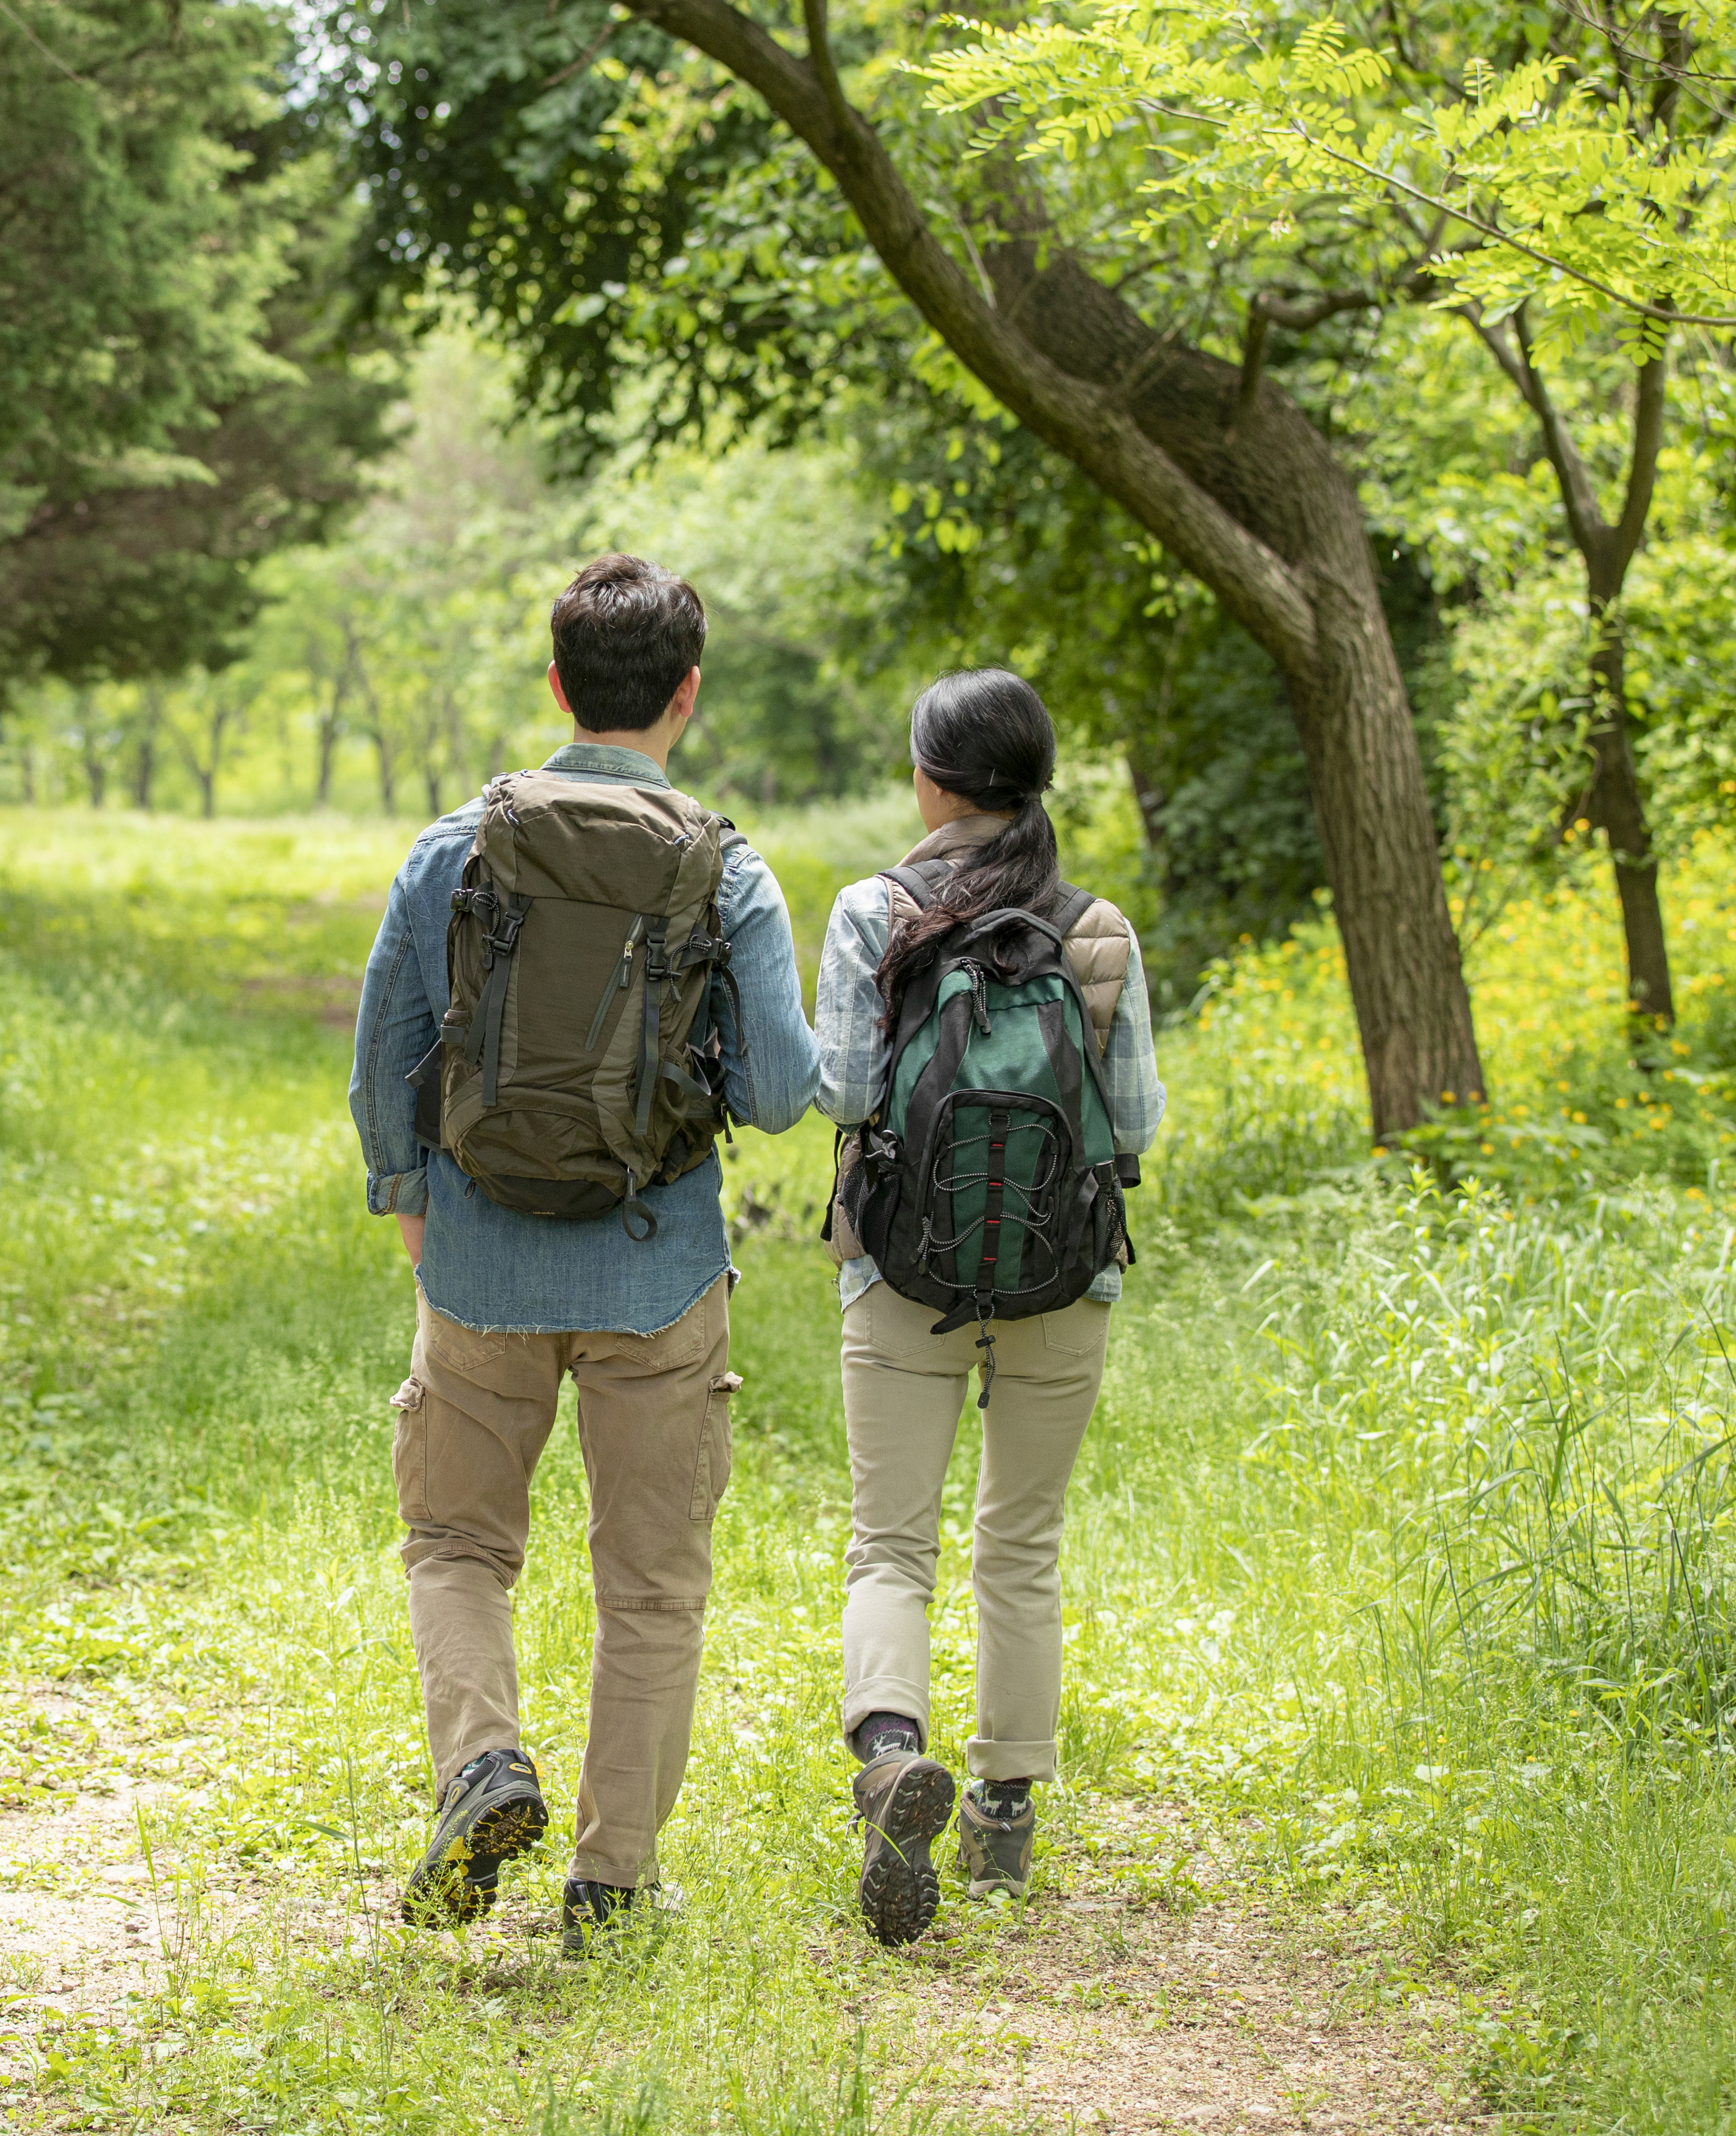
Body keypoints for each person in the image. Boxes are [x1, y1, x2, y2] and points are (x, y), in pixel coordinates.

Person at [349, 553, 819, 1953]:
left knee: (452, 1545)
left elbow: (383, 1058)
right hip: (655, 1269)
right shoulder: (723, 866)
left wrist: (414, 1207)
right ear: (685, 695)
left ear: (554, 685)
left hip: (480, 1267)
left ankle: (484, 1764)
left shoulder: (455, 847)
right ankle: (613, 1884)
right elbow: (785, 1091)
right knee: (650, 1589)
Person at [811, 669, 1166, 1943]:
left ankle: (890, 1753)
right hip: (1062, 1278)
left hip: (901, 1270)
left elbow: (846, 1089)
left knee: (888, 1545)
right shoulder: (1097, 927)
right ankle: (1004, 1814)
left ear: (928, 778)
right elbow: (1130, 1124)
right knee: (1018, 1548)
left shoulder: (872, 910)